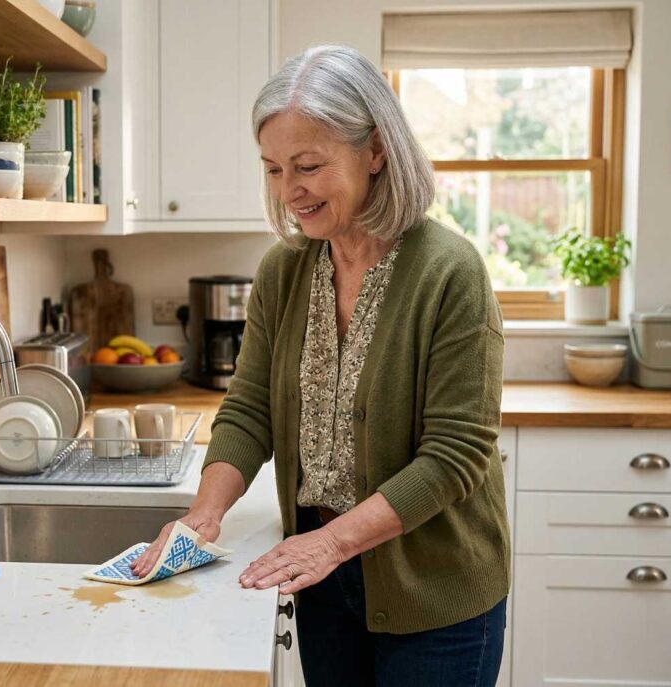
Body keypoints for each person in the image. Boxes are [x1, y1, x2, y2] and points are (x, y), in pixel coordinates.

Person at [132, 45, 509, 686]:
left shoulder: (450, 271)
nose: (289, 190)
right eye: (274, 168)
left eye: (308, 165)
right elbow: (250, 409)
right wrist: (203, 516)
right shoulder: (285, 270)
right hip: (321, 582)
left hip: (435, 594)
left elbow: (455, 455)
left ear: (376, 151)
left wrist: (333, 543)